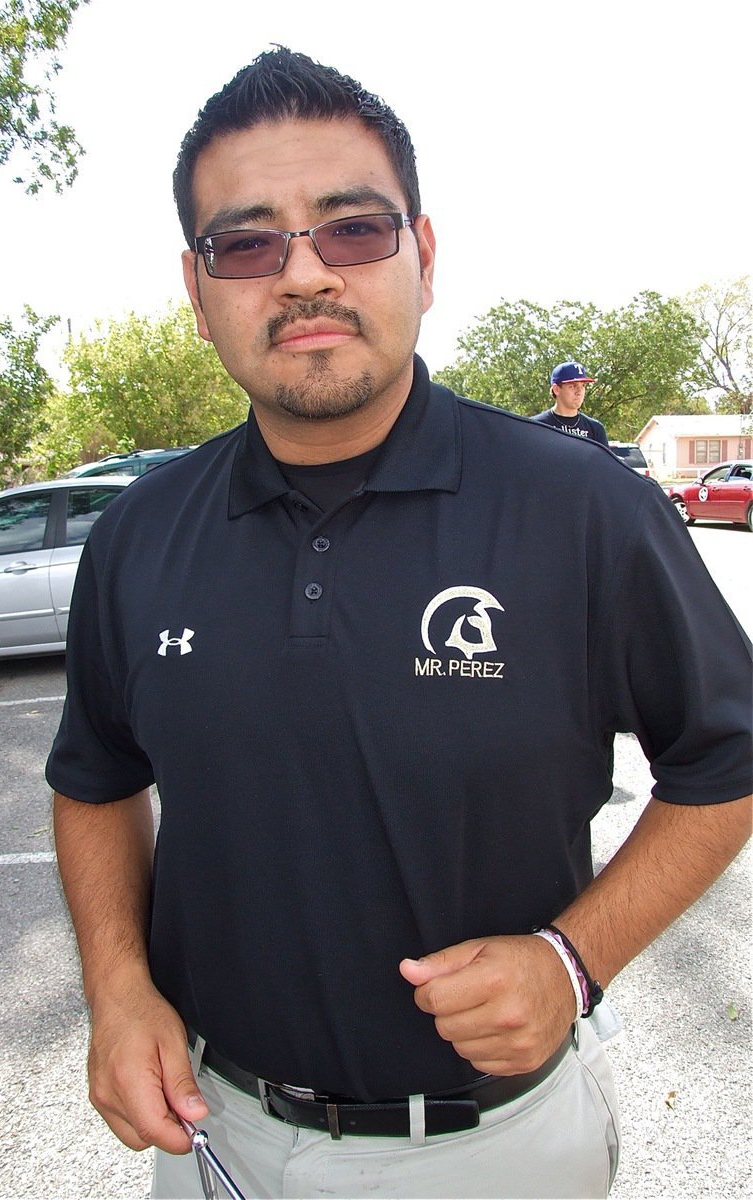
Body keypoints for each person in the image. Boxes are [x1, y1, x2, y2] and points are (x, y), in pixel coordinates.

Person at [47, 48, 752, 1200]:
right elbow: (94, 779)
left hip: (497, 1154)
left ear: (422, 254)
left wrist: (574, 963)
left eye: (353, 230)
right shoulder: (138, 536)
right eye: (247, 242)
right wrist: (118, 989)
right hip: (217, 1138)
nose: (303, 274)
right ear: (197, 286)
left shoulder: (584, 509)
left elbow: (728, 757)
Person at [531, 360, 609, 444]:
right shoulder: (536, 426)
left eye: (583, 386)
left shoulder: (595, 428)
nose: (579, 392)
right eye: (572, 386)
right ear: (556, 389)